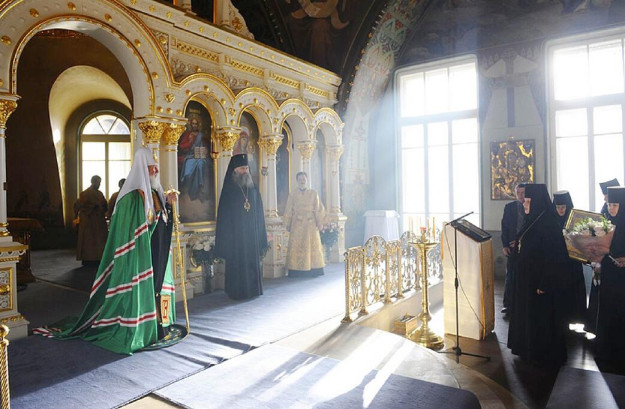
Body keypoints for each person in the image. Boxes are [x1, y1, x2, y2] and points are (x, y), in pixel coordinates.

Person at [35, 148, 177, 354]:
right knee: (146, 287)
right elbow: (130, 232)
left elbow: (161, 219)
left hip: (157, 251)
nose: (156, 170)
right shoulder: (130, 197)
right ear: (142, 168)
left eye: (155, 166)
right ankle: (142, 328)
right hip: (139, 256)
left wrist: (169, 205)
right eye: (151, 167)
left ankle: (159, 325)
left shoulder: (155, 193)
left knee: (158, 285)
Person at [507, 183, 571, 366]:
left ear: (536, 202)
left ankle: (541, 353)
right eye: (525, 201)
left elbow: (554, 258)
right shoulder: (531, 220)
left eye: (528, 201)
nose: (524, 204)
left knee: (542, 319)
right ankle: (526, 348)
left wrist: (545, 283)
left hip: (540, 284)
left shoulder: (549, 225)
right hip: (526, 280)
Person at [214, 153, 268, 300]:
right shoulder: (229, 190)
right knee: (237, 263)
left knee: (252, 261)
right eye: (242, 168)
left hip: (251, 235)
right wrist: (228, 237)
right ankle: (236, 291)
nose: (246, 171)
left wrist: (260, 232)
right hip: (236, 236)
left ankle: (253, 289)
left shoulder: (253, 188)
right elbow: (224, 216)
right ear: (235, 170)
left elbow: (259, 212)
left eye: (247, 168)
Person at [595, 186, 625, 371]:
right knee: (608, 311)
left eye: (615, 205)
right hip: (609, 274)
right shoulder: (605, 224)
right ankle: (607, 351)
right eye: (609, 205)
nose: (611, 208)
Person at [552, 190, 586, 325]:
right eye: (558, 207)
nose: (561, 210)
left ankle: (576, 317)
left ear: (568, 207)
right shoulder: (551, 221)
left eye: (563, 207)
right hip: (557, 263)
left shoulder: (575, 221)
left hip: (572, 263)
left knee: (574, 292)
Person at [283, 172, 326, 277]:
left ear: (306, 180)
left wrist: (320, 223)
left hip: (310, 224)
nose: (302, 181)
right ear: (297, 181)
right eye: (300, 179)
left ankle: (314, 269)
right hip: (297, 224)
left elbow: (318, 209)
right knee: (297, 246)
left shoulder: (313, 193)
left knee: (312, 246)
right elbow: (289, 209)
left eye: (304, 179)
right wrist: (287, 223)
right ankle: (296, 270)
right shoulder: (293, 194)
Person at [500, 183, 526, 315]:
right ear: (515, 193)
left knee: (525, 276)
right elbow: (504, 227)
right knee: (510, 276)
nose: (520, 195)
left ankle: (523, 305)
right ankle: (508, 305)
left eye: (523, 193)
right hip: (511, 247)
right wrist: (504, 245)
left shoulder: (532, 207)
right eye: (518, 193)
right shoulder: (509, 207)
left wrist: (521, 241)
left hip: (527, 247)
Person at [74, 175, 108, 264]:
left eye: (100, 183)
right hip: (89, 221)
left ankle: (98, 258)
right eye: (98, 182)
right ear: (93, 182)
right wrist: (94, 206)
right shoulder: (85, 193)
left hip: (99, 221)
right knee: (88, 241)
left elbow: (105, 205)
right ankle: (87, 259)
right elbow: (79, 206)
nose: (99, 184)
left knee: (99, 241)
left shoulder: (100, 194)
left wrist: (103, 207)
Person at [178, 116, 208, 201]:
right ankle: (188, 190)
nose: (194, 125)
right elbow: (181, 147)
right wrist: (189, 142)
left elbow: (206, 147)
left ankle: (200, 187)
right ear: (191, 125)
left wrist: (205, 150)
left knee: (200, 164)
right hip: (189, 156)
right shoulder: (187, 135)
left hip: (199, 157)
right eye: (193, 124)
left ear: (198, 125)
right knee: (188, 168)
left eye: (196, 124)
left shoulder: (201, 136)